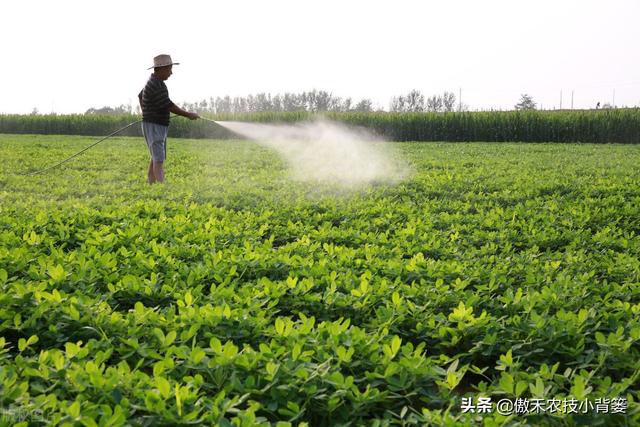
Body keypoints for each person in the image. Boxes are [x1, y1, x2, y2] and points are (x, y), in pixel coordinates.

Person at [138, 54, 199, 184]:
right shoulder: (155, 84)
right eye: (169, 69)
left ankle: (151, 185)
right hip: (154, 125)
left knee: (155, 157)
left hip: (155, 124)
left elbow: (140, 95)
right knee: (158, 160)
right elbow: (169, 105)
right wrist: (188, 114)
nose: (171, 73)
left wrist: (146, 113)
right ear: (161, 69)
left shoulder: (154, 81)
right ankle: (162, 189)